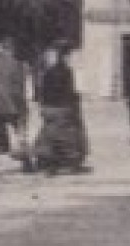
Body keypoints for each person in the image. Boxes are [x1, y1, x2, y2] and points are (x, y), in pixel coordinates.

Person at [34, 45, 91, 175]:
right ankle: (70, 163)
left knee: (49, 135)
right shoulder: (66, 71)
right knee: (66, 136)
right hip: (61, 107)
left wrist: (43, 106)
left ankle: (49, 164)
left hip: (47, 107)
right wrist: (74, 103)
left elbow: (41, 91)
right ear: (65, 56)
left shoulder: (47, 72)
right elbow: (68, 91)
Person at [0, 38, 32, 177]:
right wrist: (23, 107)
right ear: (11, 49)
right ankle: (27, 164)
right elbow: (18, 88)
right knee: (20, 134)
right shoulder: (18, 65)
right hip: (12, 105)